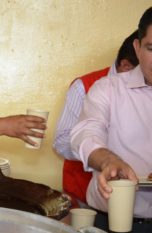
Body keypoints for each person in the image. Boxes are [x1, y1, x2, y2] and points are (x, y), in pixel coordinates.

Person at [70, 7, 152, 233]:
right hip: (113, 230)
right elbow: (84, 133)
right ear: (137, 47)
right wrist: (107, 160)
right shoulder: (108, 89)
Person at [54, 31, 139, 207]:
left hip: (135, 199)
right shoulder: (84, 86)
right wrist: (100, 153)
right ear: (126, 65)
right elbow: (61, 142)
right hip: (83, 198)